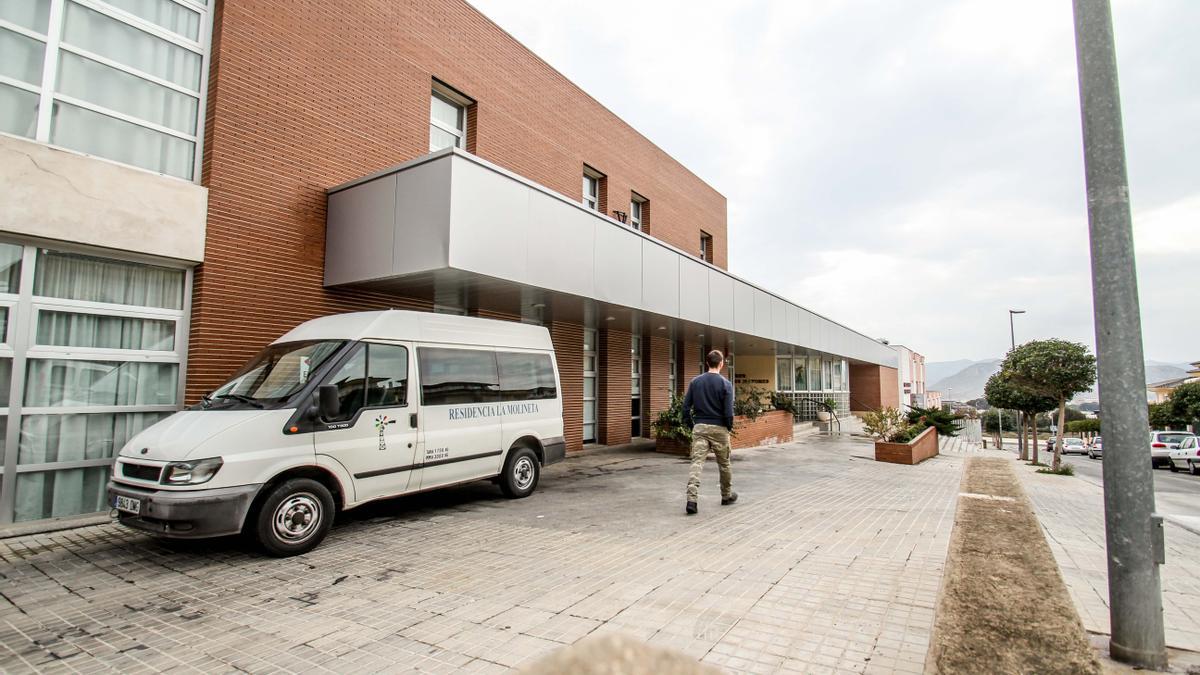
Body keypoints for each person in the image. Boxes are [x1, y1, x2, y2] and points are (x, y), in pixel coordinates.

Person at [681, 349, 737, 515]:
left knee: (697, 463)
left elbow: (685, 408)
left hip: (700, 427)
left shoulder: (695, 382)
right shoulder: (726, 384)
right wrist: (728, 427)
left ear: (707, 363)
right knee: (724, 463)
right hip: (719, 428)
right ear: (721, 364)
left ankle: (692, 500)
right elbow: (728, 412)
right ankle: (726, 495)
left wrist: (692, 425)